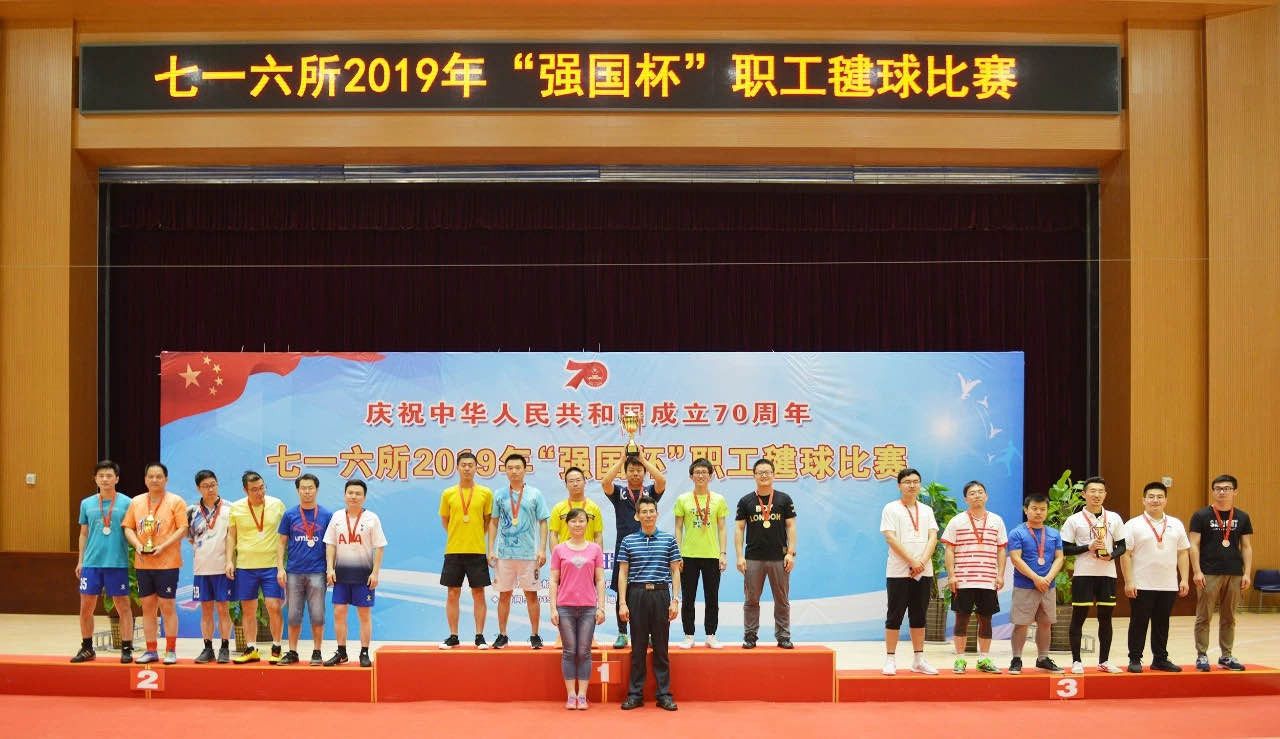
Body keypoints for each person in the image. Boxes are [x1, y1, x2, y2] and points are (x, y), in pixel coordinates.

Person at [617, 495, 681, 711]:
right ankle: (635, 694)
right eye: (643, 512)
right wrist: (623, 603)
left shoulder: (669, 540)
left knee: (661, 648)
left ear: (657, 513)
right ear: (637, 516)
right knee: (638, 648)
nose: (648, 515)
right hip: (637, 594)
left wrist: (675, 599)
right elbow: (623, 573)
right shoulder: (628, 541)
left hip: (661, 594)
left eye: (651, 511)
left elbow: (675, 570)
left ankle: (664, 695)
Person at [1119, 481, 1190, 672]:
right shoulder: (1133, 524)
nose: (1155, 500)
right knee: (1139, 622)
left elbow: (1183, 553)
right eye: (1151, 497)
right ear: (1143, 500)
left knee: (1162, 623)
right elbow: (1125, 554)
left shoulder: (1176, 524)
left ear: (1165, 500)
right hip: (1141, 583)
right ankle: (1135, 659)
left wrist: (1184, 579)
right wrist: (1129, 581)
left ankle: (1160, 659)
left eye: (1159, 497)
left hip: (1168, 584)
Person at [121, 462, 188, 665]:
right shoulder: (136, 502)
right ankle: (151, 650)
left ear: (166, 479)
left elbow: (183, 529)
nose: (155, 480)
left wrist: (164, 546)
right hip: (143, 564)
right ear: (145, 480)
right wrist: (137, 545)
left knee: (167, 606)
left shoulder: (176, 501)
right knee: (147, 608)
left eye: (159, 476)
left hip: (167, 564)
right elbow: (128, 528)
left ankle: (170, 650)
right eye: (151, 476)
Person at [1060, 476, 1127, 674]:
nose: (1096, 495)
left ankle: (1104, 661)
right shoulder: (1074, 520)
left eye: (1100, 491)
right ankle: (1076, 661)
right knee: (1079, 617)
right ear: (1084, 494)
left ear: (1105, 494)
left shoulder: (1114, 518)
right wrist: (1087, 547)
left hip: (1108, 574)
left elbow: (1122, 546)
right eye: (1092, 491)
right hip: (1084, 574)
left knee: (1106, 618)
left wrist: (1111, 555)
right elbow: (1065, 548)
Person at [941, 480, 1007, 674]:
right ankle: (960, 660)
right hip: (963, 580)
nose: (977, 495)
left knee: (986, 620)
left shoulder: (996, 520)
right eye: (972, 493)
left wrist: (1000, 575)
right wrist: (951, 576)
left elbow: (1001, 550)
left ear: (986, 496)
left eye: (980, 492)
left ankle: (984, 659)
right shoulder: (956, 521)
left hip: (988, 580)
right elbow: (949, 550)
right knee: (961, 619)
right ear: (965, 499)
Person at [71, 460, 135, 663]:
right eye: (101, 476)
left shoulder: (127, 503)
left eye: (109, 476)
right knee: (86, 607)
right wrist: (80, 561)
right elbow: (83, 533)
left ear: (117, 479)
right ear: (95, 479)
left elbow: (132, 531)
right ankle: (87, 647)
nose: (105, 479)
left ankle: (127, 648)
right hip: (91, 563)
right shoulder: (86, 503)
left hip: (117, 563)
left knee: (123, 606)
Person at [1188, 473, 1253, 671]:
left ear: (1235, 491)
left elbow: (1246, 546)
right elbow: (1193, 545)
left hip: (1234, 573)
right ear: (1213, 491)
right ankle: (1202, 655)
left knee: (1229, 617)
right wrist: (1197, 571)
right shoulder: (1201, 516)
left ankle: (1226, 656)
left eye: (1226, 488)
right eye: (1218, 488)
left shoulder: (1242, 516)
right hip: (1209, 572)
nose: (1222, 492)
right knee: (1204, 616)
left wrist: (1247, 573)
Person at [601, 454, 666, 648]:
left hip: (647, 548)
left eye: (639, 470)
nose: (635, 473)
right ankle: (622, 633)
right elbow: (605, 483)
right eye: (631, 470)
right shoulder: (620, 492)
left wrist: (643, 460)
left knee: (646, 591)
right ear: (625, 473)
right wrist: (622, 460)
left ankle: (648, 634)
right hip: (624, 547)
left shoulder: (649, 493)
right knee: (623, 591)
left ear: (644, 473)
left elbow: (662, 481)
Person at [880, 467, 939, 675]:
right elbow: (890, 537)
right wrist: (912, 561)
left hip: (923, 571)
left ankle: (918, 660)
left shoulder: (927, 510)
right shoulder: (891, 508)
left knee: (919, 615)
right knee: (894, 615)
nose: (912, 485)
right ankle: (890, 659)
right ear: (899, 486)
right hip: (899, 571)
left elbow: (933, 536)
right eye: (907, 482)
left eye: (915, 481)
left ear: (920, 485)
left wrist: (921, 561)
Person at [488, 453, 550, 649]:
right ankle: (502, 635)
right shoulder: (499, 495)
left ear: (525, 470)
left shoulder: (535, 494)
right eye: (510, 468)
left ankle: (535, 635)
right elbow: (494, 522)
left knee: (531, 595)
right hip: (504, 555)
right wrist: (490, 549)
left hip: (529, 555)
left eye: (518, 468)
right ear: (505, 470)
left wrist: (542, 549)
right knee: (504, 595)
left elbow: (543, 522)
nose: (514, 471)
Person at [734, 458, 797, 649]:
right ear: (754, 476)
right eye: (760, 472)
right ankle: (750, 635)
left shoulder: (784, 499)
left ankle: (783, 636)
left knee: (782, 600)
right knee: (751, 600)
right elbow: (739, 529)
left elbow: (791, 526)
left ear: (773, 475)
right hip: (753, 558)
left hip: (780, 558)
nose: (764, 475)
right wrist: (739, 556)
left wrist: (791, 553)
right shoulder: (745, 501)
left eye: (767, 472)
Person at [323, 479, 387, 668]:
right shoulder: (337, 517)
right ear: (345, 495)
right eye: (350, 493)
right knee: (339, 613)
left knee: (364, 615)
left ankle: (364, 652)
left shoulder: (372, 518)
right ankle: (341, 653)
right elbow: (330, 544)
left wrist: (375, 573)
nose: (354, 496)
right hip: (341, 575)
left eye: (358, 493)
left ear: (364, 497)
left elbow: (379, 547)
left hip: (363, 576)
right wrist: (330, 568)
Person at [225, 470, 287, 664]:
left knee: (273, 606)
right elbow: (231, 536)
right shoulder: (236, 508)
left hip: (271, 566)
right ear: (245, 490)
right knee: (248, 609)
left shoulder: (277, 504)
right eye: (254, 490)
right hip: (245, 567)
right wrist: (229, 561)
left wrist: (282, 566)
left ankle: (276, 647)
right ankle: (251, 648)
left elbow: (285, 535)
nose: (259, 493)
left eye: (262, 488)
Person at [549, 508, 606, 710]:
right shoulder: (559, 550)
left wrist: (601, 607)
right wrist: (553, 608)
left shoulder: (595, 549)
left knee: (584, 651)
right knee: (569, 650)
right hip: (565, 607)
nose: (577, 524)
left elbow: (600, 580)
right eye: (573, 521)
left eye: (581, 520)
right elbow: (553, 581)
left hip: (588, 608)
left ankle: (582, 695)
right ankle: (571, 695)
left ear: (587, 523)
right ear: (567, 524)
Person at [438, 451, 493, 649]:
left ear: (476, 468)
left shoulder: (485, 493)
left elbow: (487, 521)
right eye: (464, 465)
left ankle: (479, 636)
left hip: (477, 550)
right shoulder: (448, 493)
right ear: (457, 468)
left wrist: (475, 535)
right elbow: (446, 520)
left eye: (471, 465)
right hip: (454, 550)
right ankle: (454, 636)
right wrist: (458, 534)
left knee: (479, 593)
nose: (467, 468)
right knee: (453, 593)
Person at [276, 473, 333, 665]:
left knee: (317, 614)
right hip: (294, 572)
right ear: (298, 490)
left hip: (318, 571)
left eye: (310, 488)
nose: (307, 491)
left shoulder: (326, 515)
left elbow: (331, 545)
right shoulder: (289, 515)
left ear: (316, 490)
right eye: (303, 488)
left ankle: (317, 652)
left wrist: (330, 569)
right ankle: (292, 652)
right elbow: (281, 543)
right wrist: (280, 568)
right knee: (294, 614)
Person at [1006, 493, 1065, 674]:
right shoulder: (1017, 533)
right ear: (1026, 510)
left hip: (1048, 586)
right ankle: (1016, 659)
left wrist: (1047, 578)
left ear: (1047, 511)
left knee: (1045, 623)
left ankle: (1043, 659)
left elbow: (1059, 558)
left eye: (1042, 509)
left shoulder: (1054, 534)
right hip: (1025, 585)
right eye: (1034, 508)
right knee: (1021, 623)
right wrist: (1036, 578)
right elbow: (1016, 559)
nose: (1038, 512)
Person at [674, 458, 728, 649]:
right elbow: (678, 528)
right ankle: (689, 635)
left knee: (712, 598)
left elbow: (722, 528)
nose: (701, 475)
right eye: (697, 472)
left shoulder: (718, 500)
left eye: (704, 472)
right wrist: (677, 554)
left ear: (710, 476)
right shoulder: (683, 499)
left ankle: (711, 635)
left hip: (712, 555)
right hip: (688, 555)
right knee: (688, 598)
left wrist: (722, 553)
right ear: (691, 476)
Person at [186, 469, 233, 664]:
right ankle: (207, 648)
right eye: (206, 486)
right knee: (206, 610)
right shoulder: (191, 511)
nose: (210, 489)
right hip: (202, 569)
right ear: (199, 488)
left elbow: (232, 537)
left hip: (223, 569)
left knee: (223, 609)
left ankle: (225, 647)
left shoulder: (230, 508)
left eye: (213, 485)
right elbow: (190, 538)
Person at [548, 466, 604, 548]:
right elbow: (553, 535)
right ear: (566, 485)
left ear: (584, 482)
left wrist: (597, 554)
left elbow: (598, 535)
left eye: (578, 480)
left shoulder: (594, 508)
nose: (575, 484)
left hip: (588, 554)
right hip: (565, 554)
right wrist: (556, 555)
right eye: (571, 481)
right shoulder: (558, 508)